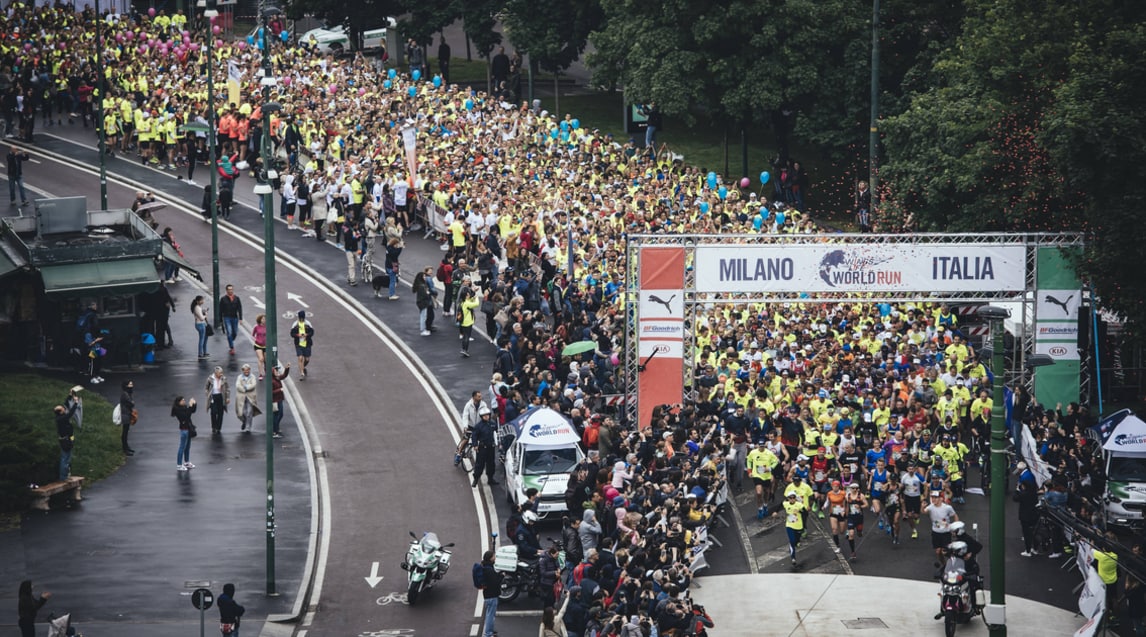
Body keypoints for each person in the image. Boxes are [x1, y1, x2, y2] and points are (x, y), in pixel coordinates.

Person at [923, 491, 958, 576]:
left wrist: (955, 528)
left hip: (945, 533)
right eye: (932, 497)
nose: (933, 499)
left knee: (945, 551)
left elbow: (955, 515)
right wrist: (922, 507)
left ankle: (953, 563)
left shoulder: (947, 508)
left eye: (935, 497)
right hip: (936, 533)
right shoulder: (931, 507)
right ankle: (944, 565)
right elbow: (924, 512)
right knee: (938, 551)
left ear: (941, 498)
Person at [470, 405, 498, 487]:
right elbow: (474, 436)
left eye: (488, 415)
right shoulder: (478, 426)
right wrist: (475, 445)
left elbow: (496, 432)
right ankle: (475, 479)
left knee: (491, 464)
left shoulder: (493, 423)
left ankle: (490, 479)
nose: (487, 417)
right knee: (479, 464)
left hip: (491, 447)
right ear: (482, 417)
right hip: (482, 448)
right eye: (484, 416)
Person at [776, 490, 807, 566]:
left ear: (795, 498)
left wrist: (800, 512)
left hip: (798, 526)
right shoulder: (786, 504)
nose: (792, 499)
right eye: (790, 498)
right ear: (788, 498)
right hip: (789, 525)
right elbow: (781, 504)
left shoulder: (799, 505)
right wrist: (776, 512)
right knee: (792, 541)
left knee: (796, 541)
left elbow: (806, 513)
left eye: (793, 497)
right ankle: (793, 558)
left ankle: (794, 544)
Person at [478, 550, 501, 637]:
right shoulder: (489, 570)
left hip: (488, 595)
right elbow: (495, 582)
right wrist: (502, 576)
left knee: (490, 614)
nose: (495, 558)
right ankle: (488, 633)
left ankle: (490, 631)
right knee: (490, 616)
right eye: (494, 556)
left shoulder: (486, 567)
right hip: (492, 596)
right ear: (490, 558)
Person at [172, 395, 197, 470]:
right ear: (178, 402)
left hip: (188, 429)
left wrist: (194, 404)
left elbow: (192, 411)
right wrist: (189, 407)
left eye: (184, 400)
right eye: (182, 400)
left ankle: (186, 462)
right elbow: (186, 416)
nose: (184, 401)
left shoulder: (184, 407)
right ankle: (179, 465)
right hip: (184, 430)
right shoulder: (178, 410)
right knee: (182, 447)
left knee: (187, 447)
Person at [54, 402, 78, 482]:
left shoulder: (60, 417)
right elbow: (70, 413)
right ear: (60, 412)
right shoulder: (61, 419)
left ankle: (65, 475)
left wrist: (70, 395)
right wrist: (76, 403)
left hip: (67, 439)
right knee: (65, 458)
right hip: (65, 441)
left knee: (67, 458)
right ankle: (63, 477)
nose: (64, 409)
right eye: (62, 409)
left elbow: (66, 404)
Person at [219, 284, 243, 356]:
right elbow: (220, 310)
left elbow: (240, 308)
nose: (230, 291)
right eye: (229, 289)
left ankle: (230, 340)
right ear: (226, 290)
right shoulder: (223, 299)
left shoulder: (237, 298)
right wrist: (220, 320)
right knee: (229, 332)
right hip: (227, 317)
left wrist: (240, 318)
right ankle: (232, 347)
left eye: (231, 289)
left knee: (234, 333)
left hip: (235, 318)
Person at [205, 366, 230, 436]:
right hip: (213, 397)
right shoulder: (210, 379)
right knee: (213, 412)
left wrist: (227, 397)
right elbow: (206, 388)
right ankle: (214, 426)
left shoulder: (224, 379)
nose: (221, 374)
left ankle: (218, 428)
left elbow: (227, 389)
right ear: (215, 373)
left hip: (221, 397)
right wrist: (207, 394)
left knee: (220, 413)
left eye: (222, 372)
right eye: (220, 373)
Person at [289, 310, 315, 380]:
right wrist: (298, 335)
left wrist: (307, 335)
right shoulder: (295, 324)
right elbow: (292, 334)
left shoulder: (308, 323)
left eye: (302, 318)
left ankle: (302, 367)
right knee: (300, 358)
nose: (301, 319)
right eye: (300, 318)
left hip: (307, 343)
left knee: (307, 359)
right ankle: (302, 373)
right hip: (298, 344)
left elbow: (312, 332)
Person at [235, 364, 259, 433]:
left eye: (248, 370)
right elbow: (238, 385)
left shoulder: (252, 377)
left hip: (250, 397)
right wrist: (243, 389)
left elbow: (253, 385)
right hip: (241, 397)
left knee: (249, 412)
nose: (247, 372)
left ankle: (248, 427)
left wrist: (246, 387)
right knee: (242, 412)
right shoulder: (239, 377)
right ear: (243, 371)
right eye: (245, 371)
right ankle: (244, 421)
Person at [413, 266, 437, 336]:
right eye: (423, 276)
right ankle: (423, 330)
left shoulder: (422, 285)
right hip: (423, 303)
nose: (425, 277)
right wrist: (428, 293)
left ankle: (425, 328)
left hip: (423, 302)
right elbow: (425, 294)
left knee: (425, 315)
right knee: (423, 316)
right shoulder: (422, 286)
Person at [459, 285, 480, 358]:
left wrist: (473, 296)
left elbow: (470, 300)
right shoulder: (467, 303)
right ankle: (465, 350)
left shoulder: (464, 302)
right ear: (466, 295)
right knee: (467, 336)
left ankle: (463, 348)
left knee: (465, 335)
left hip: (464, 321)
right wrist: (477, 298)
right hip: (468, 322)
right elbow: (476, 304)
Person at [270, 363, 290, 438]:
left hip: (279, 399)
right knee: (276, 415)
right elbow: (271, 392)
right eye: (275, 371)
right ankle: (274, 431)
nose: (277, 372)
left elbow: (284, 375)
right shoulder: (272, 381)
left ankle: (276, 428)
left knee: (280, 414)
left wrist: (287, 369)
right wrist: (279, 390)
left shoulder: (276, 378)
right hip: (275, 400)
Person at [119, 380, 136, 456]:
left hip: (127, 414)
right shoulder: (125, 394)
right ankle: (125, 448)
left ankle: (126, 447)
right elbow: (131, 403)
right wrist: (132, 402)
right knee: (125, 432)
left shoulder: (127, 393)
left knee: (126, 431)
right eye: (130, 384)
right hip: (125, 415)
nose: (131, 385)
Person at [252, 314, 267, 379]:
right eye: (263, 319)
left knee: (266, 359)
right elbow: (252, 335)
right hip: (258, 345)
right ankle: (261, 374)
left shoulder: (267, 326)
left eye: (265, 319)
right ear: (260, 320)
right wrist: (255, 340)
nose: (264, 320)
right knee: (261, 359)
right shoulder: (256, 327)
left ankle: (266, 369)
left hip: (266, 346)